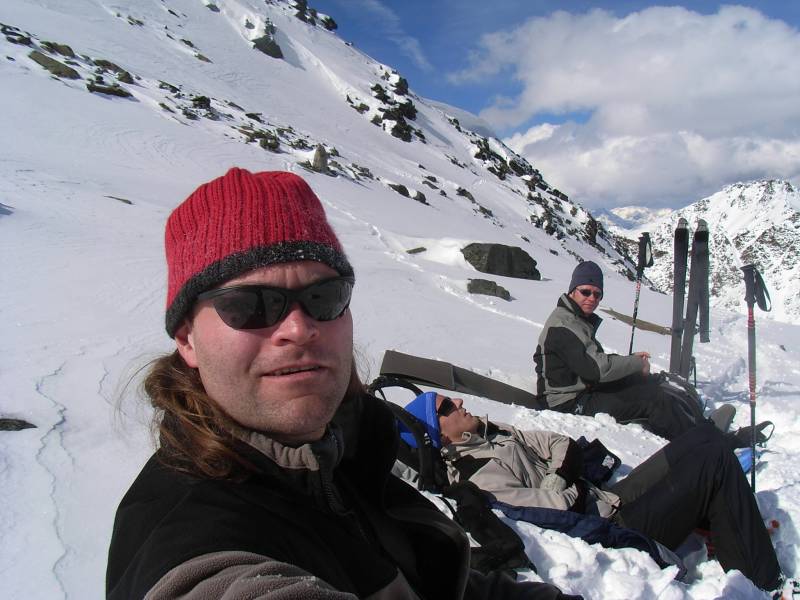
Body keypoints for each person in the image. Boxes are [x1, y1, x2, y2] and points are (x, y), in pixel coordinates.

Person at [106, 168, 579, 600]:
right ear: (187, 339)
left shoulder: (343, 458)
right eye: (249, 304)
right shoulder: (191, 540)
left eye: (324, 296)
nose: (299, 328)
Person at [401, 392, 784, 593]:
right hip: (616, 526)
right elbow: (556, 511)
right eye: (447, 406)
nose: (460, 402)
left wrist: (560, 473)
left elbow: (557, 442)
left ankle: (720, 514)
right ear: (438, 434)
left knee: (704, 438)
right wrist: (564, 480)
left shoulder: (492, 430)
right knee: (715, 460)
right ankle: (763, 582)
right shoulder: (478, 477)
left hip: (607, 497)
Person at [533, 260, 768, 443]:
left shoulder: (575, 319)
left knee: (646, 382)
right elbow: (598, 369)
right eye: (586, 292)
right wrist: (637, 363)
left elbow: (591, 359)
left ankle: (697, 426)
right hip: (566, 404)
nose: (592, 298)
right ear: (572, 291)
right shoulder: (564, 325)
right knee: (653, 400)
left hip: (581, 391)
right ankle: (707, 445)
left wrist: (632, 365)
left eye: (597, 294)